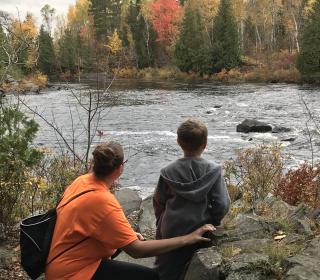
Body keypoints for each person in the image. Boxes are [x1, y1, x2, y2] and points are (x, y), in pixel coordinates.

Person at [45, 141, 214, 280]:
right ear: (120, 168)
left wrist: (128, 235)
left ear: (94, 164)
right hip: (73, 274)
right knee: (150, 277)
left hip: (58, 265)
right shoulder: (103, 201)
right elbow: (137, 250)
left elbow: (87, 224)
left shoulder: (81, 182)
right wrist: (188, 238)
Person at [153, 119, 231, 280]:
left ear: (178, 142)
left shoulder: (167, 171)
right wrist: (213, 220)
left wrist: (160, 221)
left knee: (166, 267)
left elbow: (159, 201)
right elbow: (222, 204)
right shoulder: (214, 170)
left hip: (171, 228)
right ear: (205, 143)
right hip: (200, 227)